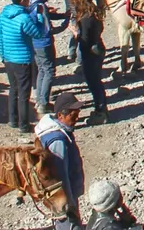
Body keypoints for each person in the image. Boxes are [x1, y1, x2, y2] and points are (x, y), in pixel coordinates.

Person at [0, 0, 47, 129]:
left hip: (8, 58)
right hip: (23, 60)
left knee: (13, 89)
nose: (29, 1)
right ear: (22, 0)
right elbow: (38, 33)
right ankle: (24, 124)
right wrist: (39, 16)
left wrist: (2, 55)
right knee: (24, 94)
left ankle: (13, 120)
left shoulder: (3, 14)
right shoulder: (23, 18)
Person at [36, 92, 86, 230]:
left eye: (77, 113)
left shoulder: (59, 132)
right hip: (64, 200)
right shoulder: (58, 141)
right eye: (73, 115)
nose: (77, 118)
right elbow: (61, 176)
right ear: (60, 116)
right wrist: (69, 205)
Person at [30, 0, 72, 115]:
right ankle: (43, 103)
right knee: (49, 71)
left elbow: (46, 15)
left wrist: (62, 15)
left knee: (41, 70)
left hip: (34, 43)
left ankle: (39, 99)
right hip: (44, 43)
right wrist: (65, 25)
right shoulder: (40, 5)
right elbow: (49, 28)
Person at [68, 0, 108, 125]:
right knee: (97, 82)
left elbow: (84, 41)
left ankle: (100, 112)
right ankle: (101, 109)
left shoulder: (85, 19)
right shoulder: (95, 13)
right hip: (99, 49)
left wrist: (75, 33)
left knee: (93, 83)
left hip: (90, 53)